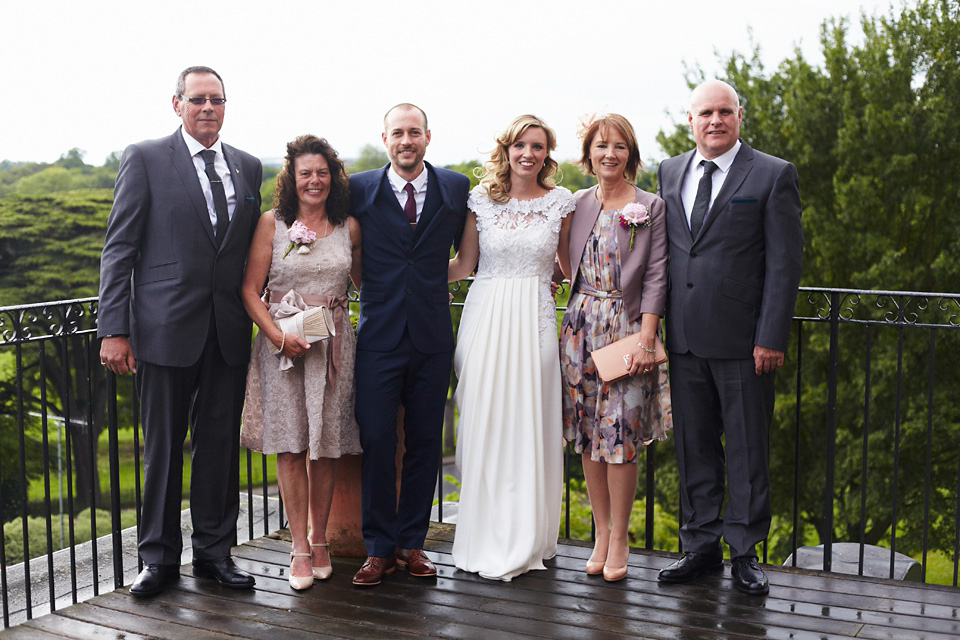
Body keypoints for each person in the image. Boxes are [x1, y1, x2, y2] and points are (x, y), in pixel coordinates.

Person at [98, 66, 262, 596]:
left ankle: (215, 554)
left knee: (218, 448)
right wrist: (114, 329)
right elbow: (119, 248)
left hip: (228, 332)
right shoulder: (145, 158)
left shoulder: (249, 166)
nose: (208, 108)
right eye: (197, 100)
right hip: (163, 329)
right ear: (176, 105)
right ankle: (159, 561)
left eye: (216, 99)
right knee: (163, 450)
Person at [656, 79, 803, 595]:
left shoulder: (772, 173)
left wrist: (771, 336)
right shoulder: (670, 171)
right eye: (705, 114)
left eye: (724, 112)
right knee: (695, 449)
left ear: (739, 116)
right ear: (689, 120)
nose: (714, 121)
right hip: (684, 339)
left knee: (746, 450)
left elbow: (785, 264)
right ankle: (700, 546)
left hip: (745, 342)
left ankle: (744, 552)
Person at [448, 115, 574, 581]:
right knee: (486, 419)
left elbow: (566, 266)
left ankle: (529, 535)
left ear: (547, 154)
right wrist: (404, 275)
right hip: (486, 313)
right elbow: (463, 265)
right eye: (520, 144)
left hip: (535, 316)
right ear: (507, 149)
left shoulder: (561, 202)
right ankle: (483, 533)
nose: (528, 153)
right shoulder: (480, 200)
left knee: (531, 420)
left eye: (537, 146)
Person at [348, 104, 469, 587]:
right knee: (376, 439)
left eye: (414, 132)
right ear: (385, 138)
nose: (406, 140)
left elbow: (470, 249)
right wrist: (372, 293)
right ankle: (377, 549)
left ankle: (412, 543)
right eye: (397, 132)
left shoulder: (455, 188)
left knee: (424, 442)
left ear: (427, 137)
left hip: (433, 336)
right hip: (378, 336)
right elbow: (347, 250)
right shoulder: (359, 188)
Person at [239, 135, 362, 590]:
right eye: (305, 173)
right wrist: (276, 335)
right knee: (291, 446)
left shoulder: (349, 226)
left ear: (334, 177)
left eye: (322, 172)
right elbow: (250, 290)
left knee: (325, 445)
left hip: (332, 347)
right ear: (291, 178)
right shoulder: (273, 223)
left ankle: (321, 538)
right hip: (282, 349)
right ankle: (298, 549)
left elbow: (367, 284)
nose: (314, 181)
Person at [559, 113, 671, 583]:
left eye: (620, 146)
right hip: (580, 329)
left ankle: (621, 536)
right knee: (588, 434)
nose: (610, 154)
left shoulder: (651, 206)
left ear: (631, 155)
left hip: (626, 331)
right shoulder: (577, 202)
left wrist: (648, 335)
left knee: (621, 436)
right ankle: (600, 534)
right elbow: (564, 259)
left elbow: (657, 273)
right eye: (602, 145)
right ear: (588, 154)